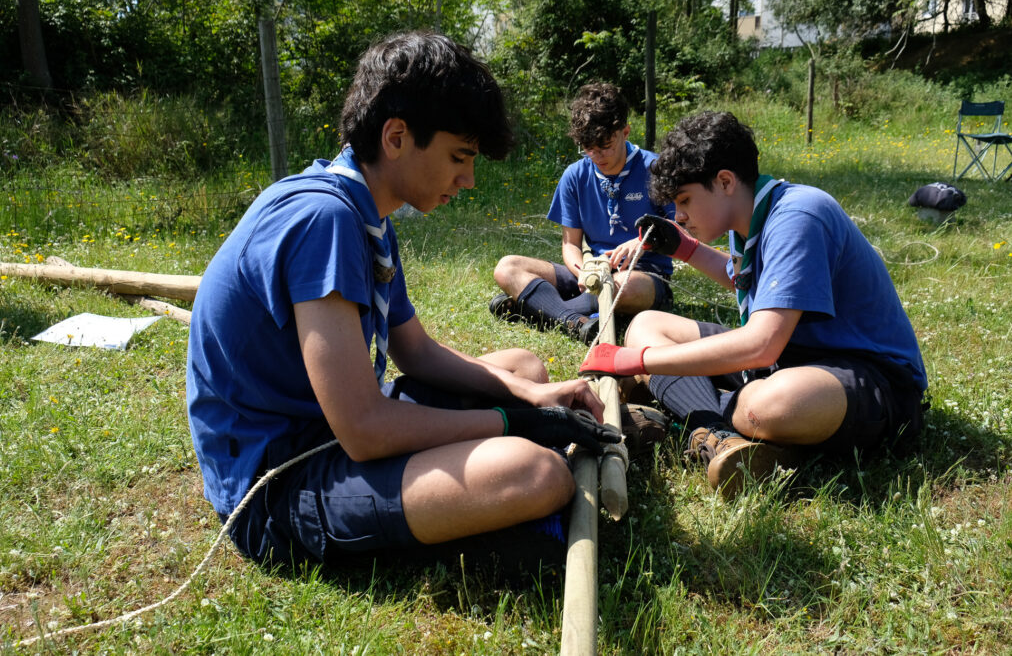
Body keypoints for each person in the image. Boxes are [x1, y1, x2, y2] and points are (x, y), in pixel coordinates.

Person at [186, 31, 619, 569]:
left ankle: (475, 510)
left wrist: (530, 399)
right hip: (275, 482)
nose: (469, 179)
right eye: (459, 156)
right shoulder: (326, 221)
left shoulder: (364, 212)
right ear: (396, 136)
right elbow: (365, 430)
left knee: (524, 369)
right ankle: (475, 528)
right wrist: (514, 422)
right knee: (537, 472)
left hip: (326, 431)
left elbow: (414, 351)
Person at [579, 111, 927, 497]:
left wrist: (639, 362)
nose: (679, 215)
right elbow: (745, 277)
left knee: (766, 406)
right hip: (793, 359)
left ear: (725, 181)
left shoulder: (798, 216)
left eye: (684, 200)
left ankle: (692, 411)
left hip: (872, 376)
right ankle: (719, 434)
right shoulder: (748, 215)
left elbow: (762, 345)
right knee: (646, 326)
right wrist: (685, 247)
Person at [489, 83, 676, 344]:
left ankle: (533, 308)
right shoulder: (574, 176)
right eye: (588, 148)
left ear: (625, 131)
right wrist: (584, 272)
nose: (596, 155)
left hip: (643, 275)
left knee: (621, 286)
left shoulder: (654, 168)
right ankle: (574, 320)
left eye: (605, 146)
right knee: (507, 267)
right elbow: (570, 245)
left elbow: (683, 228)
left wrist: (643, 242)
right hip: (590, 273)